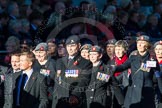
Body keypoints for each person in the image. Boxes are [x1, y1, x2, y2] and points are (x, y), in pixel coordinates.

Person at [113, 35, 162, 108]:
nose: (139, 45)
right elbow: (123, 66)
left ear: (147, 45)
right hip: (133, 94)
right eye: (138, 42)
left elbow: (158, 78)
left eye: (142, 43)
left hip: (146, 95)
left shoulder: (152, 61)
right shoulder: (133, 58)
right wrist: (113, 68)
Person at [52, 35, 92, 108]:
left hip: (73, 101)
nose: (70, 48)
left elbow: (84, 81)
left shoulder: (85, 62)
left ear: (79, 46)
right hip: (58, 100)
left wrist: (75, 95)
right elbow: (57, 79)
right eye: (68, 46)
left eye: (73, 45)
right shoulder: (60, 61)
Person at [34, 42, 56, 108]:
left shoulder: (52, 63)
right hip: (35, 95)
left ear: (47, 52)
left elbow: (51, 78)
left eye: (41, 52)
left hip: (48, 95)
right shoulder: (33, 63)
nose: (38, 54)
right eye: (37, 52)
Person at [153, 41, 162, 108]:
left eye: (160, 49)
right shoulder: (151, 62)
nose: (158, 51)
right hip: (153, 90)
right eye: (156, 49)